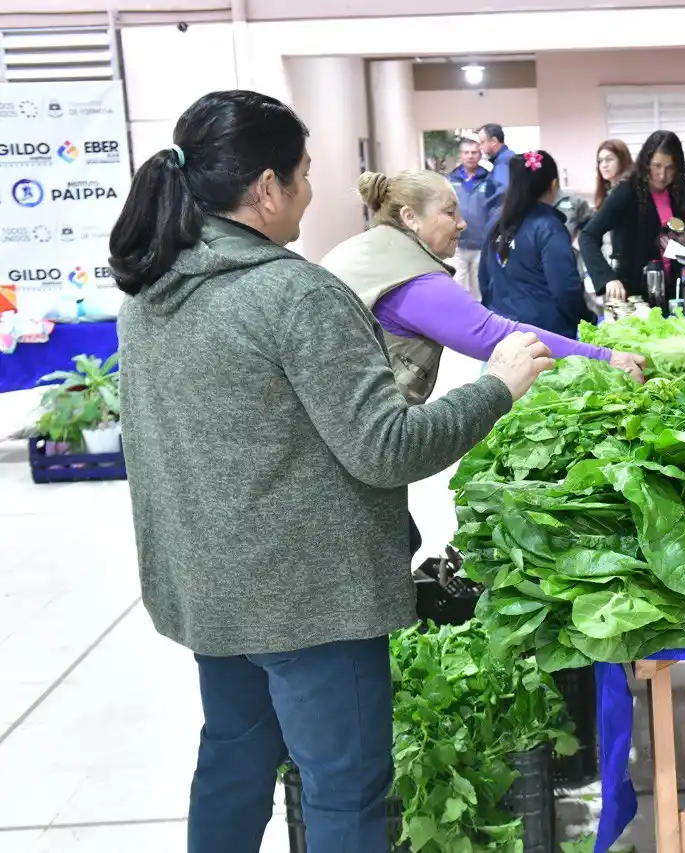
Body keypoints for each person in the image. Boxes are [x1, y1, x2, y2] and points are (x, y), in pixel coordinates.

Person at [107, 90, 554, 853]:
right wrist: (497, 386)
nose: (312, 194)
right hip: (311, 597)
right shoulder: (294, 293)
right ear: (267, 188)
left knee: (234, 760)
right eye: (305, 175)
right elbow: (387, 448)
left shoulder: (153, 290)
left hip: (213, 585)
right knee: (344, 789)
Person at [320, 168, 645, 389]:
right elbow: (495, 334)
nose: (462, 224)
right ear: (410, 217)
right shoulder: (412, 280)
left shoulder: (372, 247)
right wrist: (607, 357)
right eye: (449, 213)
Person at [480, 150, 605, 341]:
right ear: (553, 184)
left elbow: (485, 279)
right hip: (546, 335)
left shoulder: (496, 222)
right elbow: (565, 289)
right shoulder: (549, 227)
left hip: (502, 330)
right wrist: (588, 319)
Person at [579, 130, 685, 304]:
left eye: (670, 168)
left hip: (671, 290)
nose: (662, 175)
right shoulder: (627, 192)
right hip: (634, 293)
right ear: (645, 163)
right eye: (657, 166)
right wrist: (608, 278)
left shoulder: (681, 190)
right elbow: (588, 236)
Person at [446, 137, 494, 300]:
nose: (470, 156)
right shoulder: (450, 180)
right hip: (457, 243)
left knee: (479, 289)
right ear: (461, 155)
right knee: (457, 287)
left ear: (480, 155)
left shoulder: (490, 179)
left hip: (481, 245)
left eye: (474, 152)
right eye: (466, 152)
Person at [477, 122, 516, 213]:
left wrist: (485, 207)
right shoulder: (507, 157)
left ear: (494, 141)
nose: (480, 147)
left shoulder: (503, 160)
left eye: (482, 142)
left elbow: (504, 190)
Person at [594, 138, 634, 209]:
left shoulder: (627, 191)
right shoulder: (607, 191)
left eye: (609, 159)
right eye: (600, 161)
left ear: (622, 161)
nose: (604, 165)